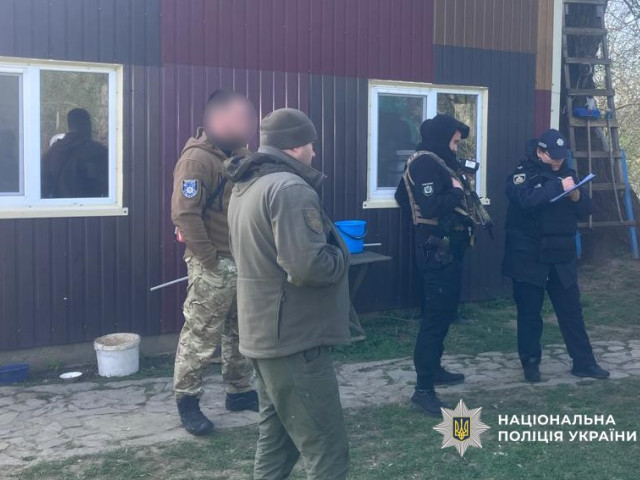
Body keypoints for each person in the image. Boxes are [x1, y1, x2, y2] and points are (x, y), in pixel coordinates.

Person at [226, 108, 351, 480]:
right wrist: (341, 257)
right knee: (327, 449)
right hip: (295, 340)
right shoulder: (291, 189)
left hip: (263, 334)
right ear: (296, 146)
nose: (314, 150)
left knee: (278, 442)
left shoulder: (247, 185)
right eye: (311, 143)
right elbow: (308, 266)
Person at [170, 90, 259, 436]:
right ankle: (188, 401)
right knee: (201, 334)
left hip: (244, 260)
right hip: (214, 264)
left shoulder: (241, 154)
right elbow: (185, 215)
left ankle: (240, 391)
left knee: (241, 331)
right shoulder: (197, 160)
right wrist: (209, 261)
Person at [503, 129, 610, 382]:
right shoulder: (522, 174)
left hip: (561, 255)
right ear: (540, 152)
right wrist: (557, 187)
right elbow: (525, 200)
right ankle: (531, 363)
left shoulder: (568, 174)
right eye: (553, 156)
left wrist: (576, 196)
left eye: (561, 156)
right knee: (530, 313)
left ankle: (584, 362)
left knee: (571, 312)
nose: (558, 161)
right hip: (529, 256)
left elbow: (587, 209)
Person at [394, 114, 475, 416]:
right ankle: (423, 389)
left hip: (446, 247)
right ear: (442, 139)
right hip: (436, 250)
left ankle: (434, 369)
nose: (455, 148)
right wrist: (455, 191)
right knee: (434, 318)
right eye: (453, 142)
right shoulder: (425, 162)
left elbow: (401, 195)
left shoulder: (435, 162)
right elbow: (429, 205)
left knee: (443, 314)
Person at [41, 108, 108, 198]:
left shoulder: (52, 153)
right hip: (91, 204)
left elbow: (43, 188)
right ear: (87, 125)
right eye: (89, 122)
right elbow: (110, 187)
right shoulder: (97, 151)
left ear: (70, 125)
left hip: (59, 204)